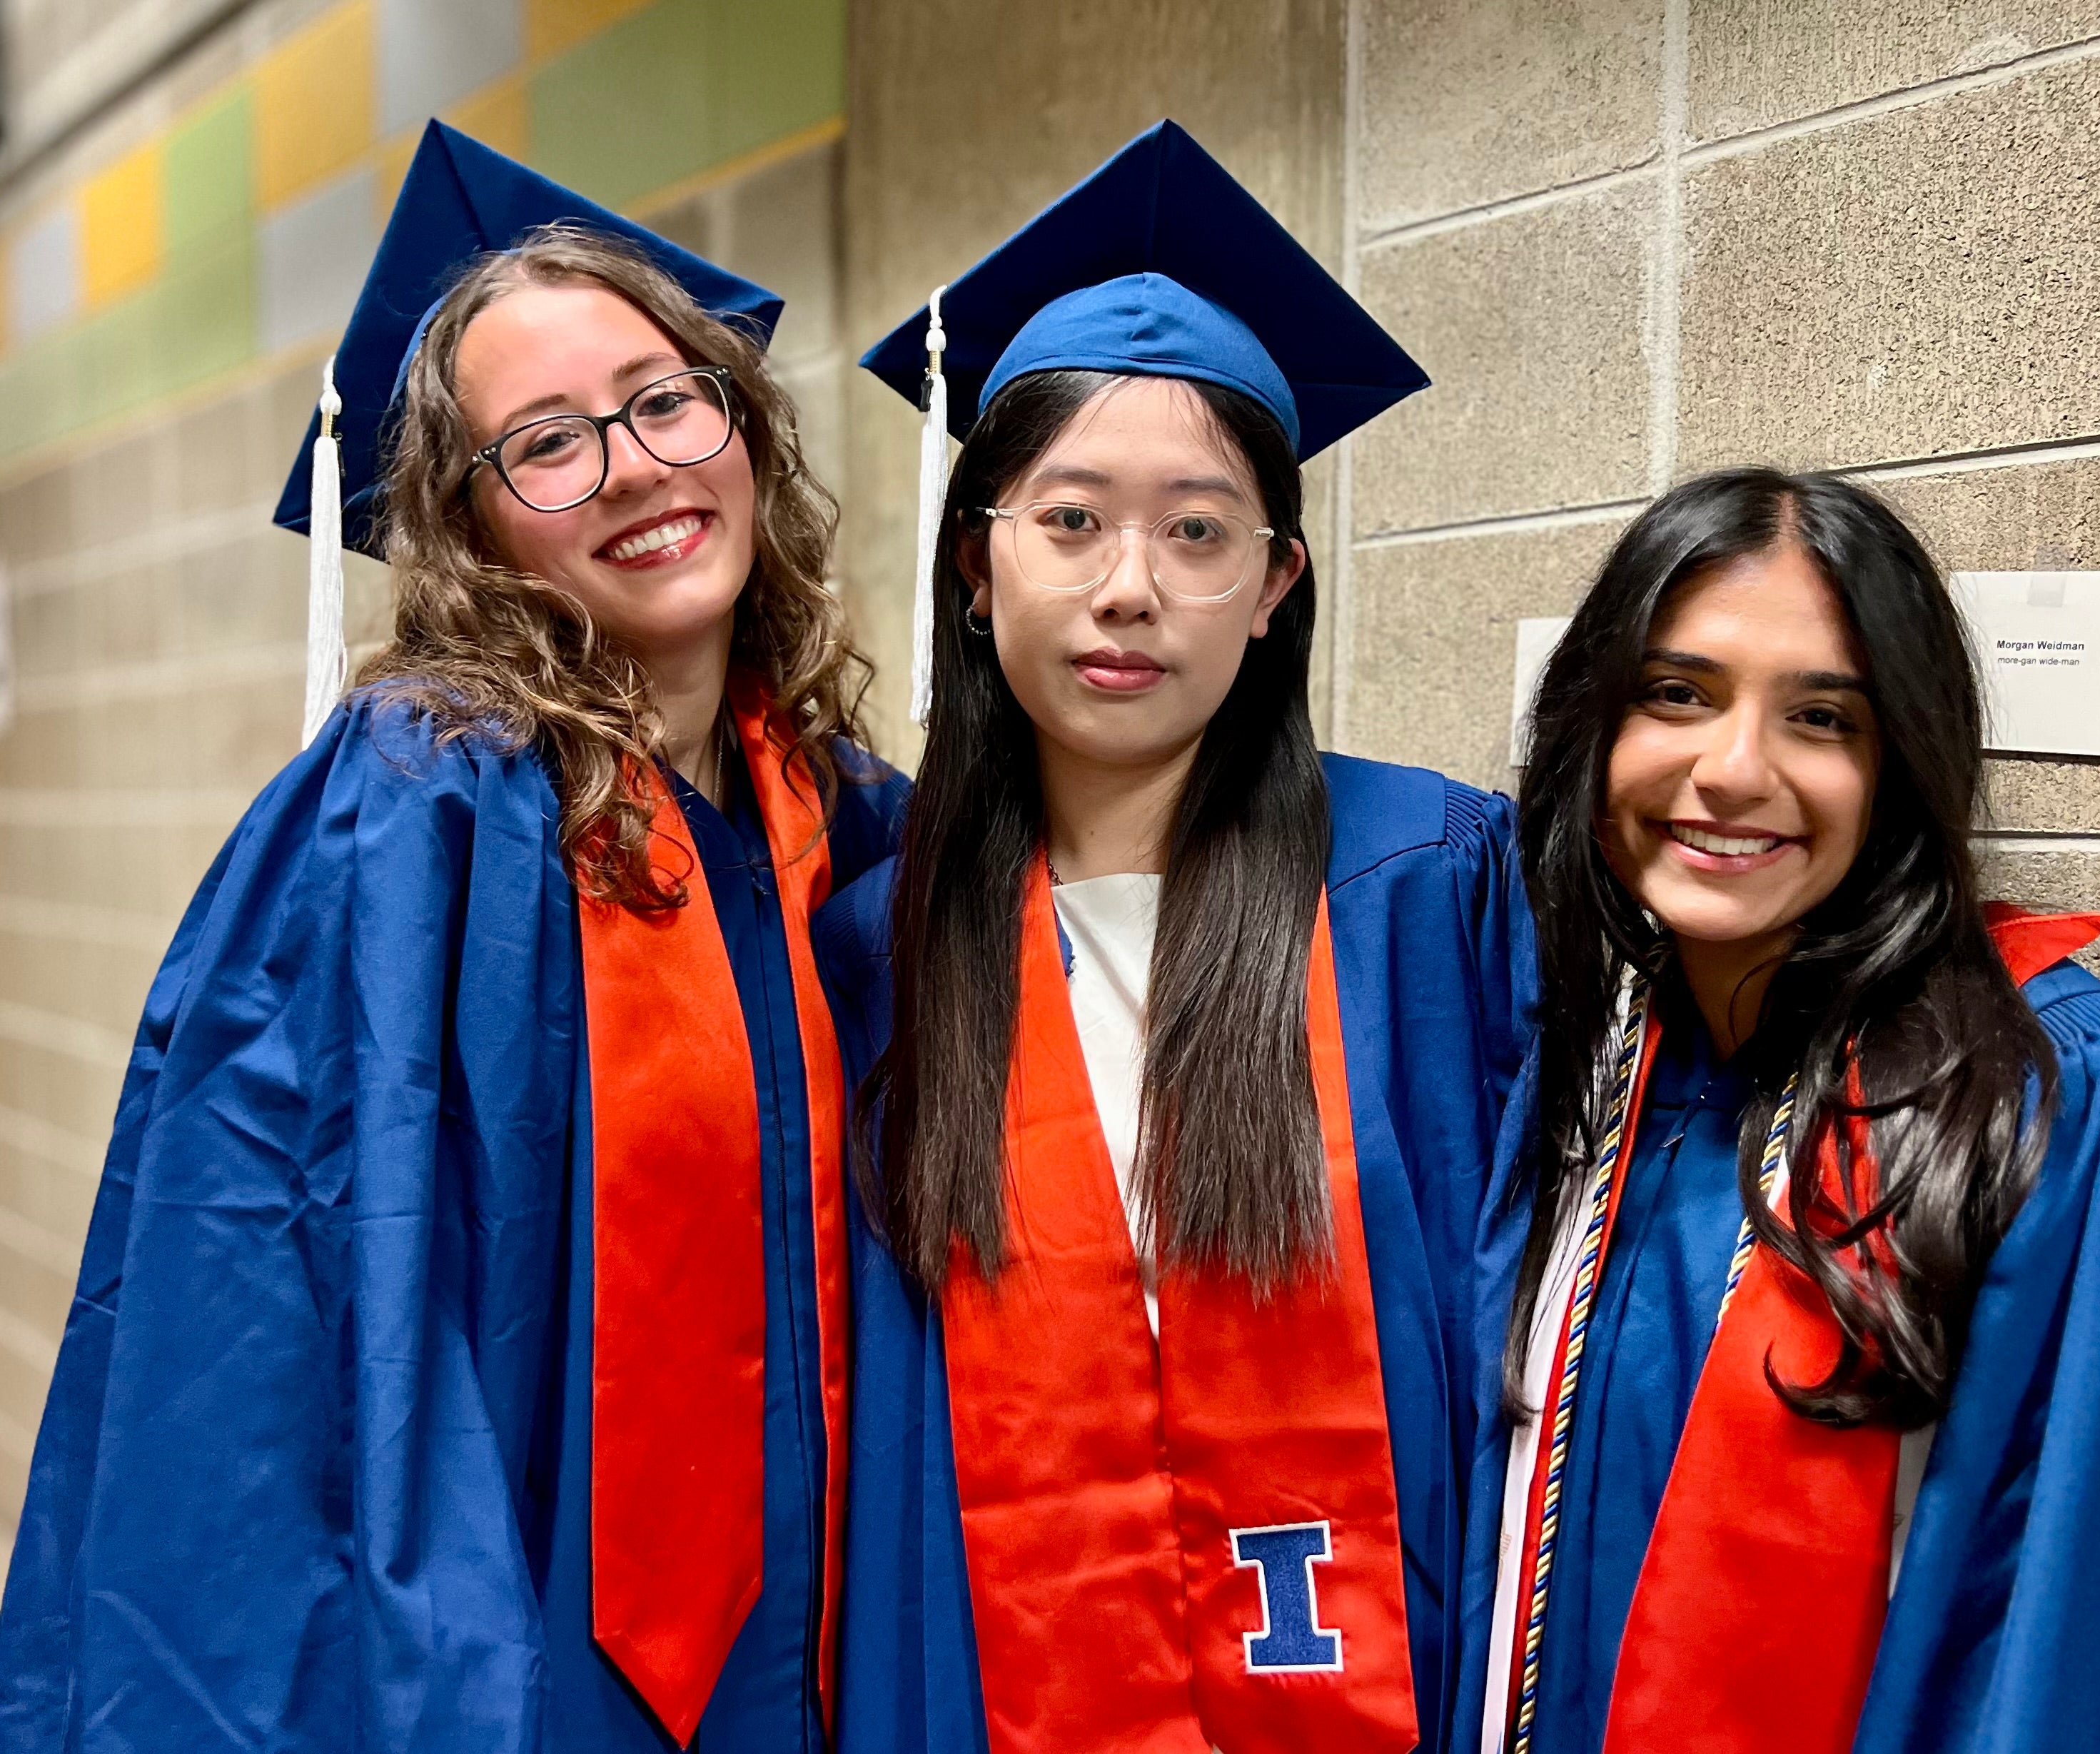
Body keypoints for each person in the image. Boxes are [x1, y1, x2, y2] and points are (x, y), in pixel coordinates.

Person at [0, 123, 903, 1753]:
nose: (632, 464)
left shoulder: (845, 822)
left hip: (826, 1634)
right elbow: (274, 1301)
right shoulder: (413, 809)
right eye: (544, 443)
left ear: (743, 424)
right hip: (526, 1650)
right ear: (468, 525)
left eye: (663, 397)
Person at [815, 121, 1535, 1754]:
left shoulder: (1430, 884)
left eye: (1198, 531)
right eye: (1069, 520)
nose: (1130, 586)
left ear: (1277, 582)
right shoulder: (884, 947)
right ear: (976, 566)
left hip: (1377, 1664)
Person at [1463, 467, 2100, 1754]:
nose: (1734, 769)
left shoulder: (2091, 1110)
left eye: (1822, 717)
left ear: (1900, 765)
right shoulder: (1587, 1068)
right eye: (1675, 694)